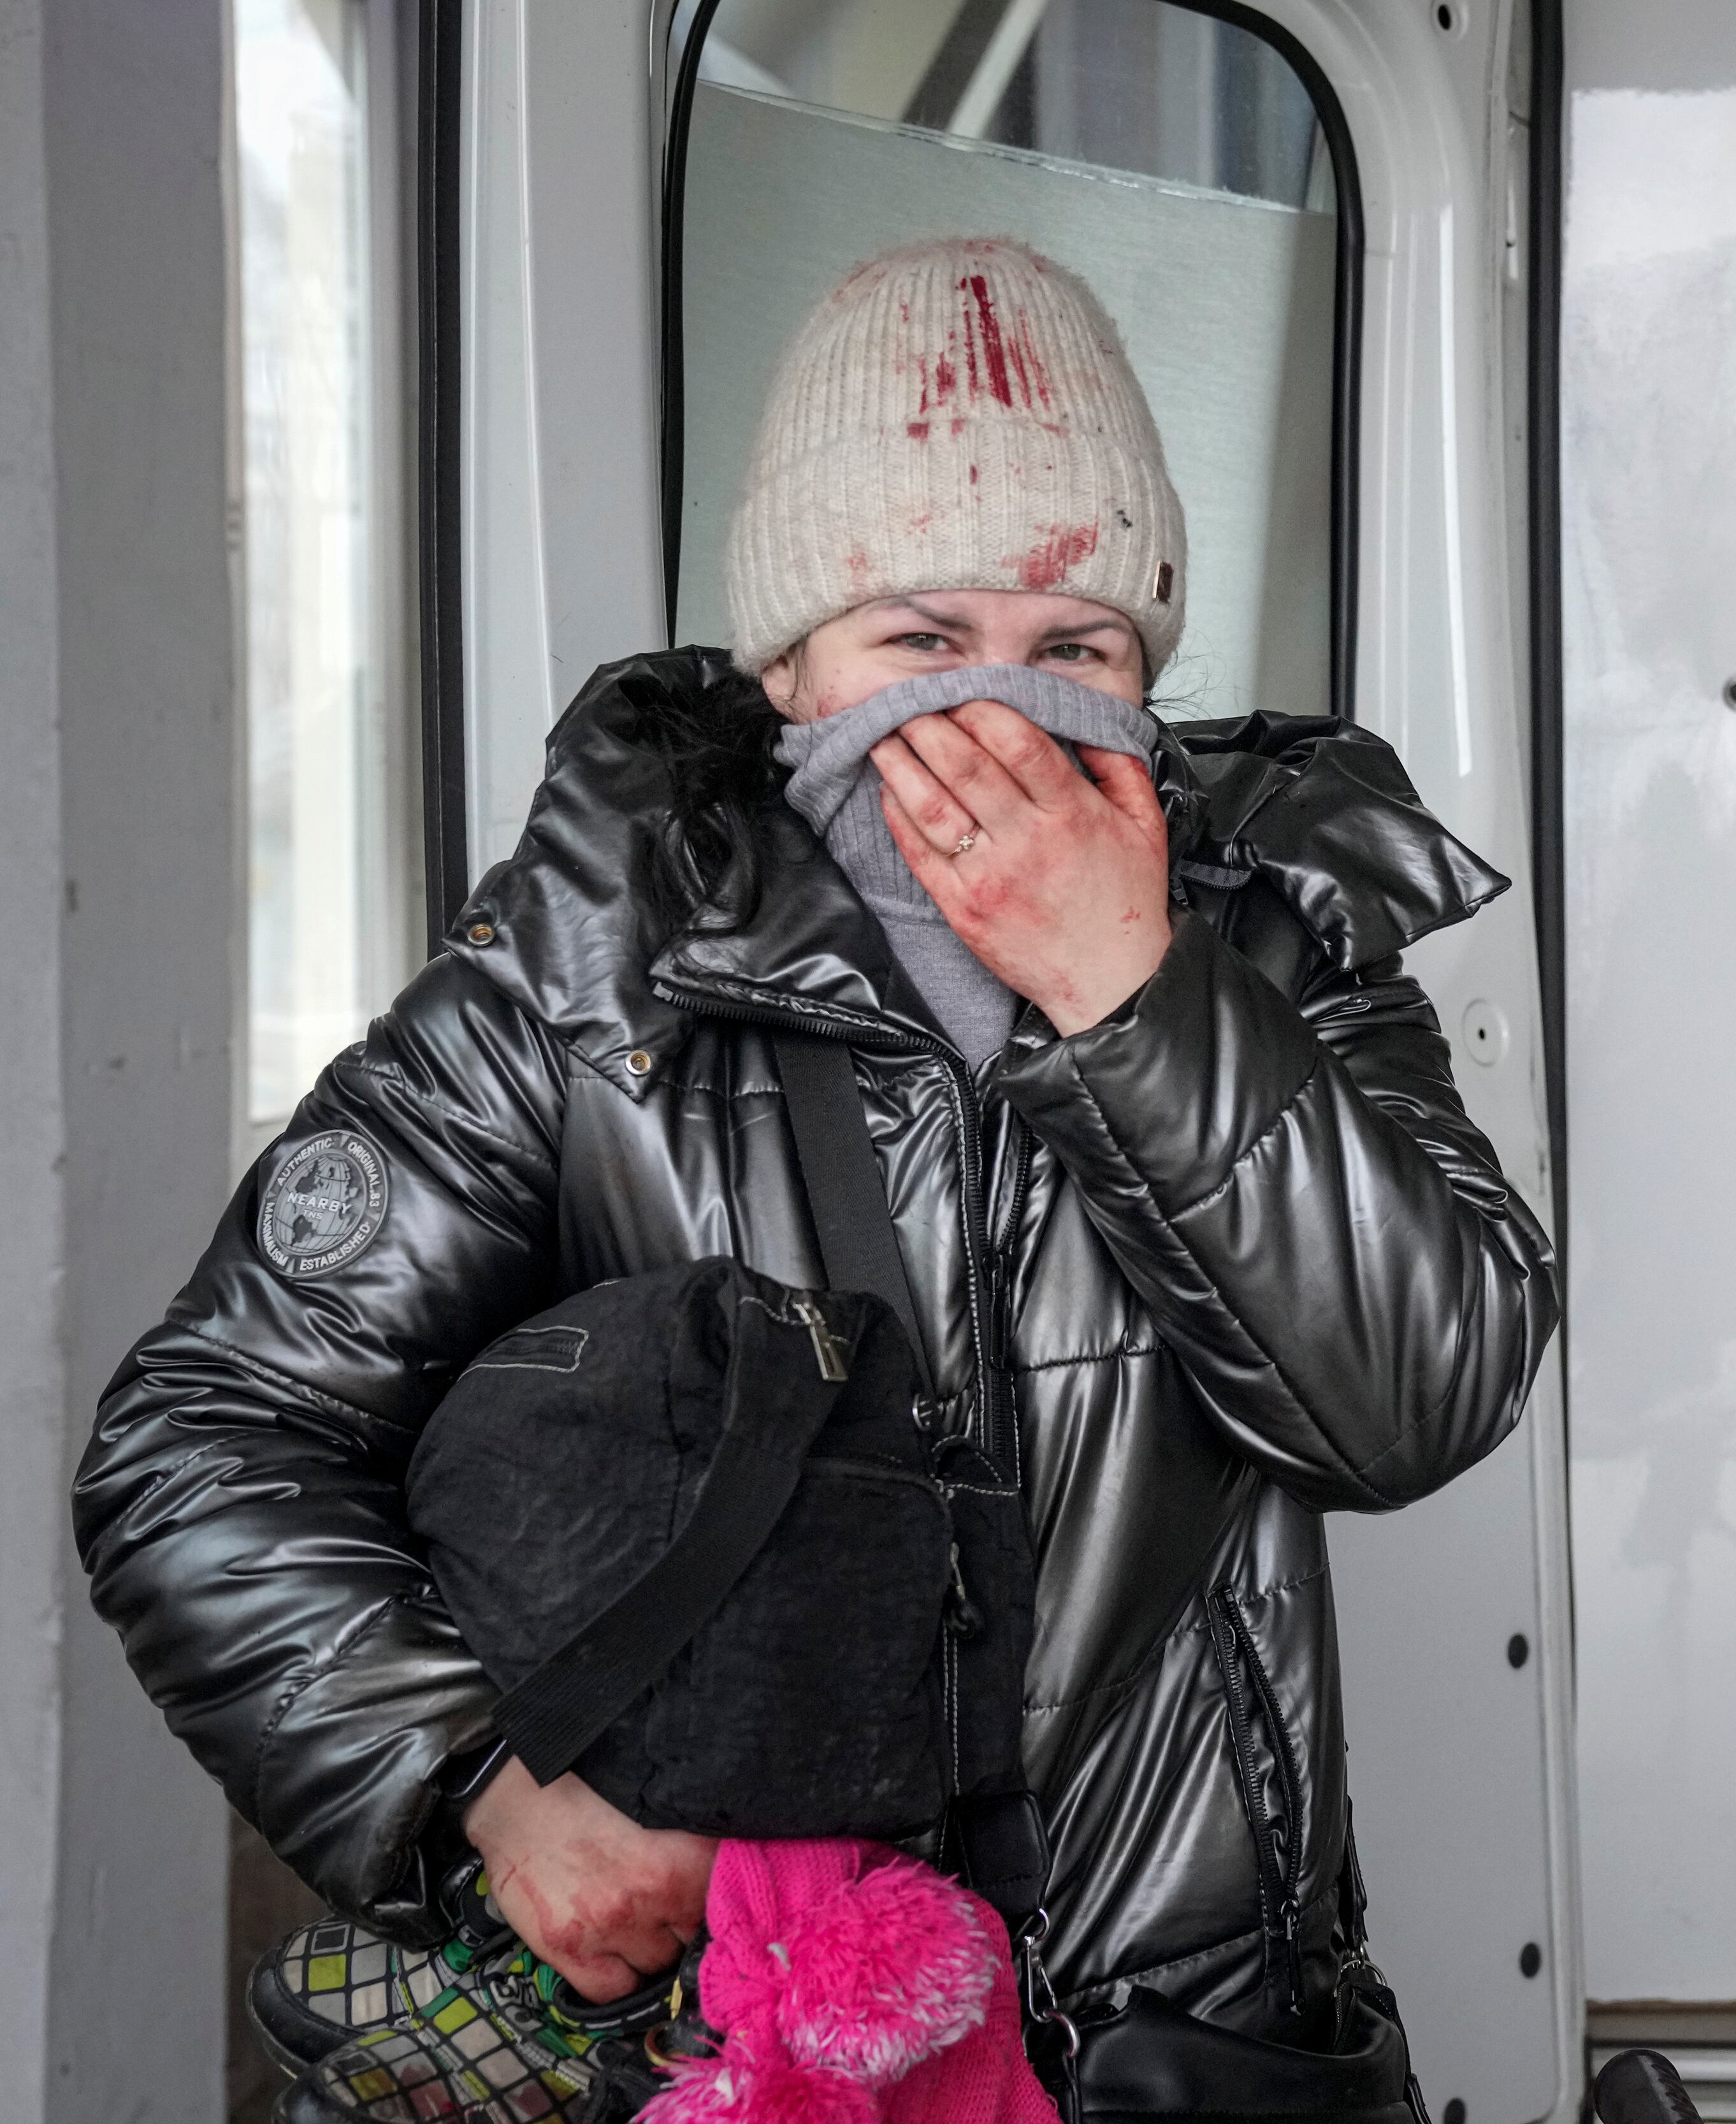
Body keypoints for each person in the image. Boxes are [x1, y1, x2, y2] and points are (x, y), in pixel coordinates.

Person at [76, 237, 1555, 2115]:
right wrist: (480, 1790)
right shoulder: (577, 983)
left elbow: (1422, 1397)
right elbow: (204, 1438)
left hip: (1185, 2046)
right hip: (739, 2047)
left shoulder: (1275, 937)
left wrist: (1133, 994)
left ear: (1147, 670)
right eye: (917, 644)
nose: (999, 723)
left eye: (1075, 651)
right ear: (787, 667)